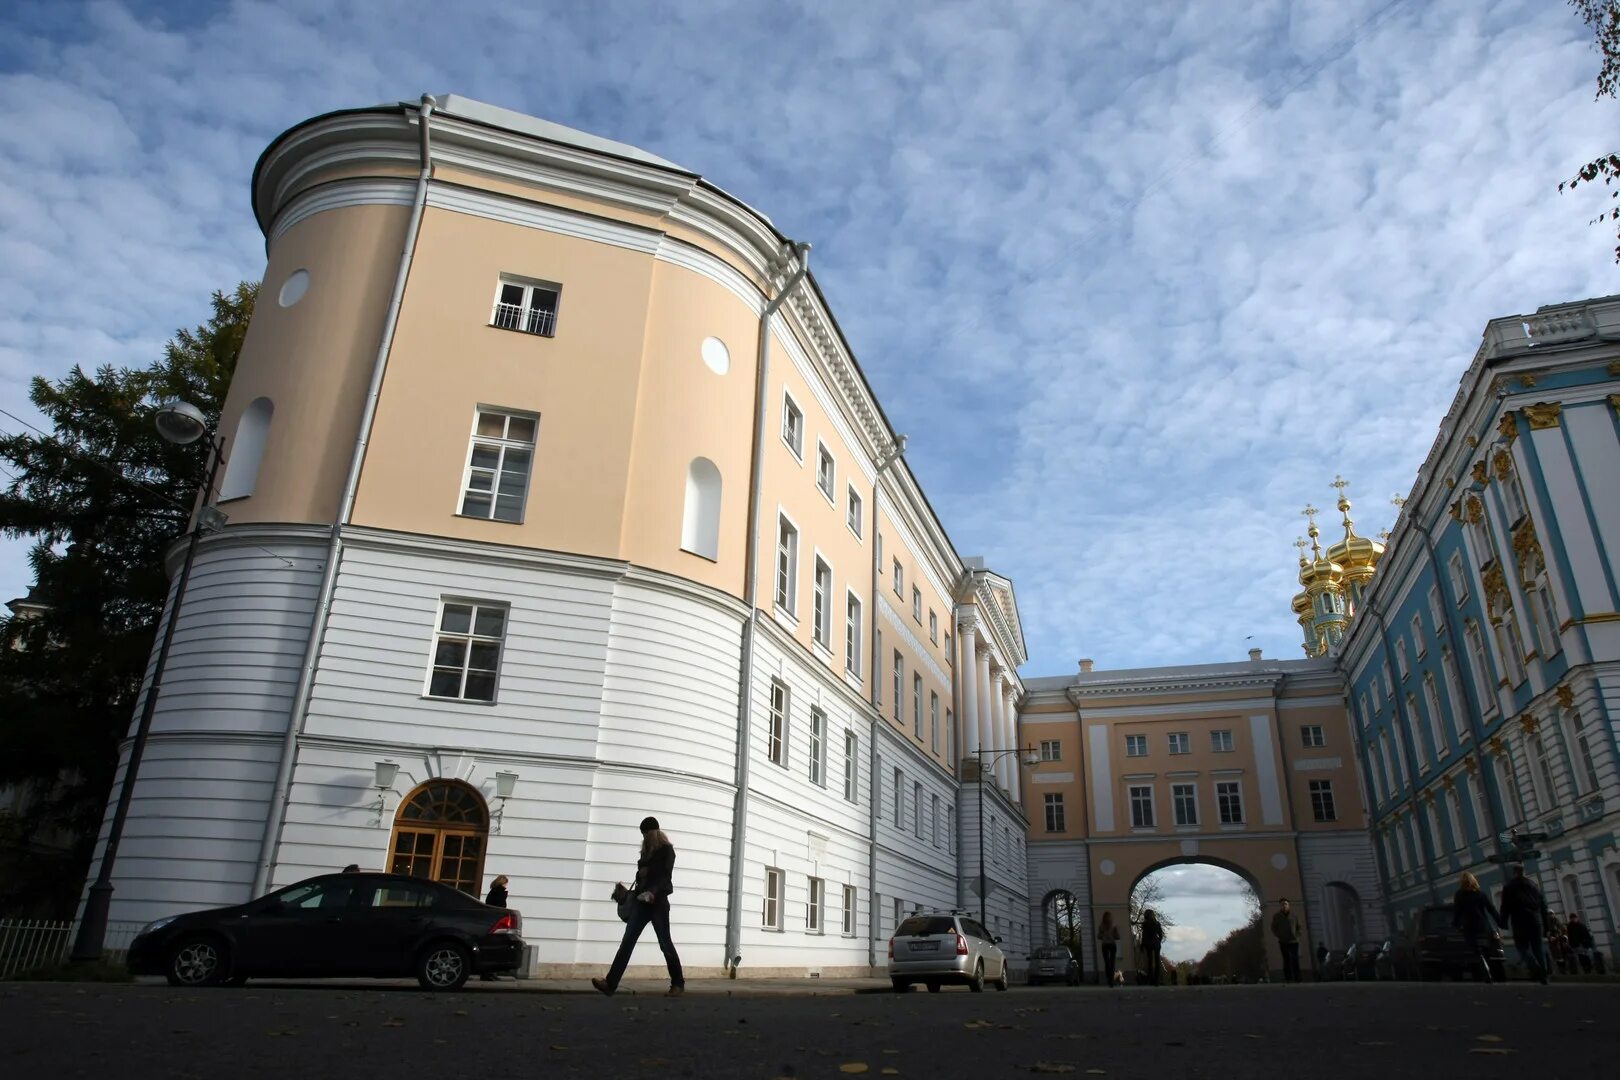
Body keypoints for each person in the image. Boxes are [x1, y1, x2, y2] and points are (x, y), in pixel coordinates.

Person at [593, 816, 684, 998]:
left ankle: (678, 984)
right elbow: (642, 875)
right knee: (627, 942)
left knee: (665, 943)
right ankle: (610, 984)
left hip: (658, 903)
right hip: (642, 903)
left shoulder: (667, 850)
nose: (644, 837)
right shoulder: (646, 851)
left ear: (653, 832)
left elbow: (665, 876)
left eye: (645, 833)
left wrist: (652, 890)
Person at [1498, 866, 1551, 984]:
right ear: (1524, 872)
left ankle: (1534, 965)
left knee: (1522, 947)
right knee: (1538, 948)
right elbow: (1543, 906)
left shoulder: (1509, 887)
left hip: (1519, 921)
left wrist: (1503, 922)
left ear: (1514, 873)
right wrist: (1547, 926)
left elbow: (1505, 906)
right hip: (1536, 921)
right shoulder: (1534, 886)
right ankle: (1544, 976)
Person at [1452, 871, 1503, 983]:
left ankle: (1485, 971)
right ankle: (1489, 969)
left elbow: (1457, 912)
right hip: (1483, 926)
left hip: (1469, 927)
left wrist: (1456, 924)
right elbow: (1491, 909)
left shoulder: (1459, 895)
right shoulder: (1481, 894)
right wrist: (1500, 922)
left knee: (1476, 952)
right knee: (1486, 950)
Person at [1271, 898, 1302, 983]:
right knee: (1286, 959)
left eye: (1285, 904)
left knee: (1295, 959)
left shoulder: (1294, 915)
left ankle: (1297, 977)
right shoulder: (1277, 916)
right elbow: (1273, 927)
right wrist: (1279, 935)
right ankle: (1288, 978)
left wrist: (1297, 935)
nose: (1284, 905)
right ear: (1280, 906)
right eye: (1282, 904)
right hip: (1283, 941)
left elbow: (1299, 927)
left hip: (1294, 941)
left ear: (1289, 905)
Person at [1139, 910, 1165, 986]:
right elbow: (1160, 934)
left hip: (1148, 944)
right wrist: (1158, 941)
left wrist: (1142, 945)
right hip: (1156, 943)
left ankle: (1151, 979)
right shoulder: (1157, 923)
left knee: (1150, 962)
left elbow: (1144, 936)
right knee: (1157, 962)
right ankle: (1156, 981)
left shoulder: (1145, 924)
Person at [1097, 911, 1121, 988]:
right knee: (1112, 962)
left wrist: (1104, 936)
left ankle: (1109, 980)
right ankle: (1111, 980)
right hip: (1111, 945)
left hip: (1105, 945)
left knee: (1107, 963)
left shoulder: (1101, 926)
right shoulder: (1113, 926)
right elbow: (1117, 936)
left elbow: (1099, 936)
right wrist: (1113, 935)